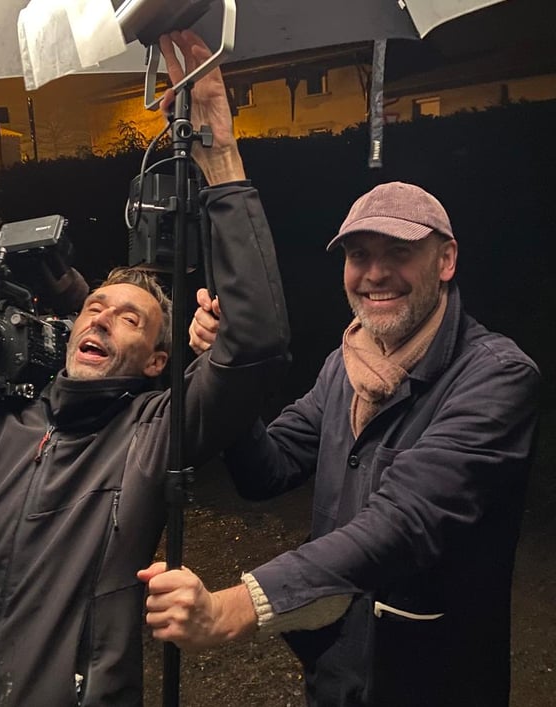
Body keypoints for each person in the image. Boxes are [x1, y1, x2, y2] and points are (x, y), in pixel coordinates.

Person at [0, 31, 290, 707]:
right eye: (94, 308)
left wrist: (218, 149)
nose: (101, 318)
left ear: (158, 361)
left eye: (129, 318)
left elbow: (256, 343)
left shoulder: (154, 430)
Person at [140, 181, 541, 707]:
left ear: (445, 260)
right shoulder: (344, 366)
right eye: (358, 255)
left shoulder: (496, 376)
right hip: (336, 672)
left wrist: (236, 607)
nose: (375, 273)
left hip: (433, 677)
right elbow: (268, 470)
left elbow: (406, 520)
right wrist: (228, 370)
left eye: (399, 252)